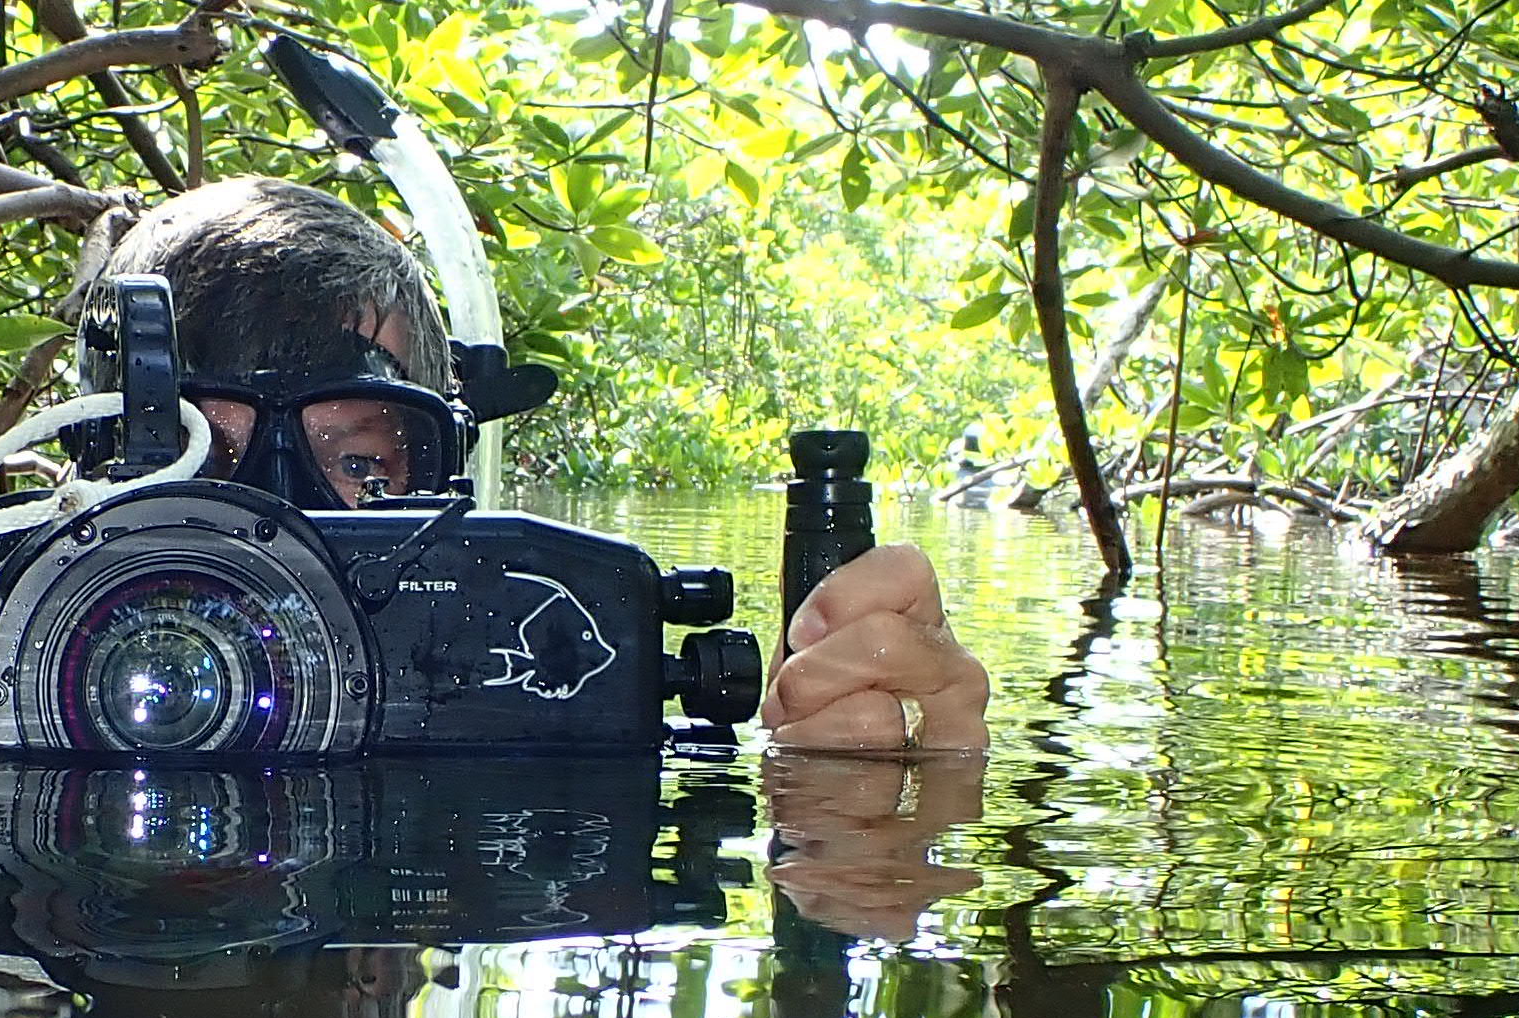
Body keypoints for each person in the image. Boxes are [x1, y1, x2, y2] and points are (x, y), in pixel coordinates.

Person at [88, 176, 989, 753]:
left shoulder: (534, 718)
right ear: (78, 480)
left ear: (446, 486)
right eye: (194, 452)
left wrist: (872, 796)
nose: (274, 521)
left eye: (362, 466)